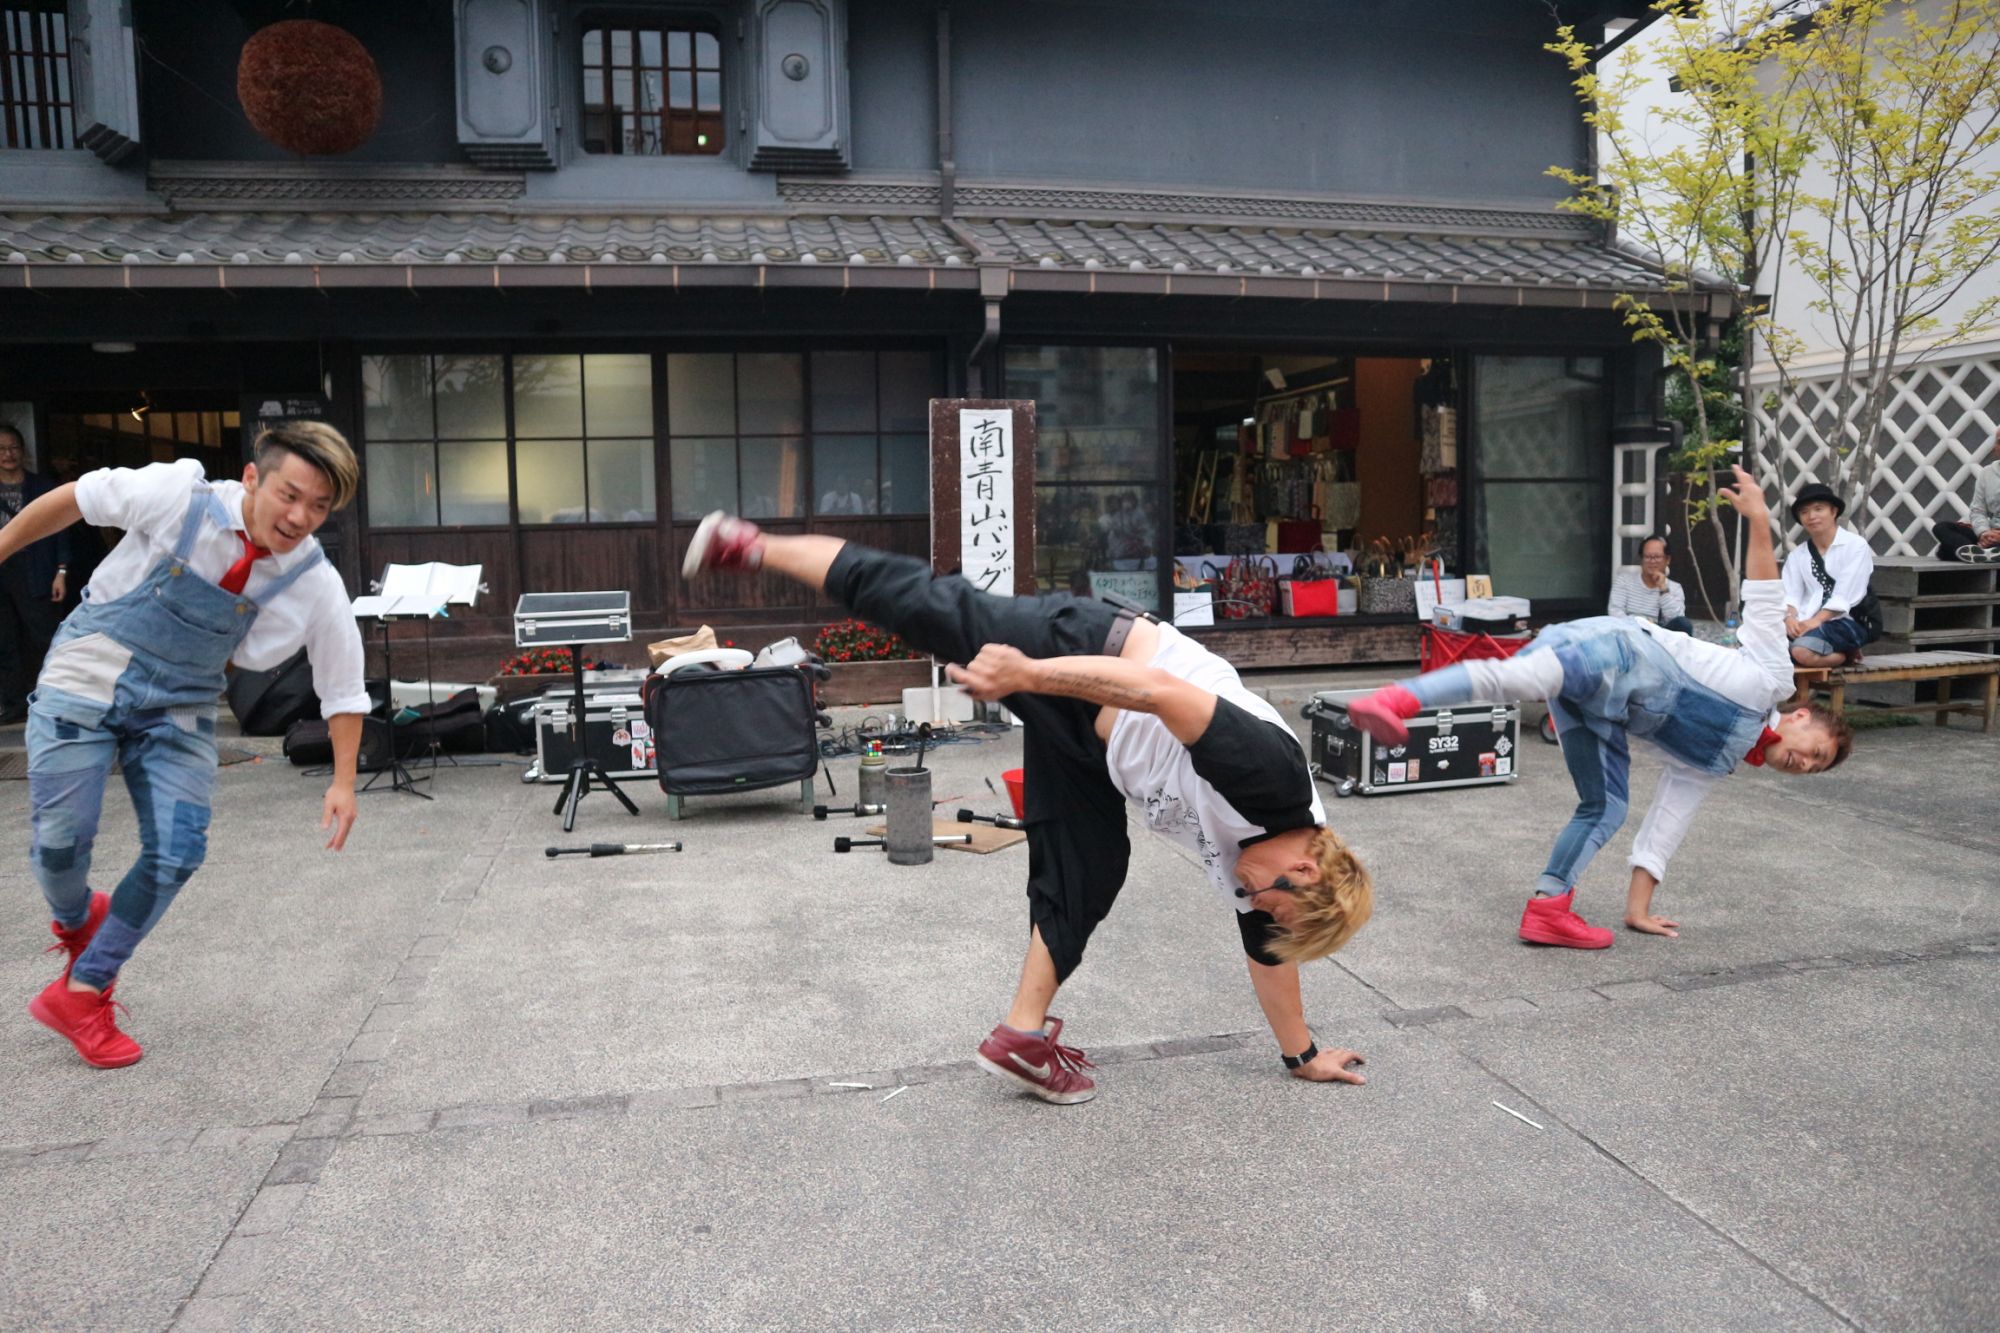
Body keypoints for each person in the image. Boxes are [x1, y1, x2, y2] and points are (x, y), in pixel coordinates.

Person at [682, 511, 1374, 1104]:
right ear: (1306, 868)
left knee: (1089, 871)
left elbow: (1268, 952)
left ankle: (1021, 1034)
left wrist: (1303, 1055)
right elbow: (1159, 690)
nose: (1253, 903)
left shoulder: (1271, 872)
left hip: (1093, 752)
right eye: (1270, 902)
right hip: (1093, 656)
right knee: (932, 609)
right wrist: (1030, 674)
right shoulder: (1270, 777)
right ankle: (751, 545)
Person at [1345, 466, 1851, 949]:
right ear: (1801, 716)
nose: (1806, 763)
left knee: (1606, 806)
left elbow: (1666, 825)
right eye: (1817, 752)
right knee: (1516, 678)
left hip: (1599, 710)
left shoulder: (1712, 763)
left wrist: (1638, 911)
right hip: (1615, 653)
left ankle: (1548, 909)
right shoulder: (1772, 680)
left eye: (1814, 769)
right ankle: (1396, 699)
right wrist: (1759, 519)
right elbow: (1764, 600)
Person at [0, 423, 372, 1068]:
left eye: (319, 507)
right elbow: (77, 497)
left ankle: (84, 991)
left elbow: (342, 686)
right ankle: (77, 919)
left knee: (178, 848)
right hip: (89, 670)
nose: (299, 517)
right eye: (290, 495)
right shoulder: (179, 494)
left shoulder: (313, 579)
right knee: (61, 841)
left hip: (181, 703)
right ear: (252, 478)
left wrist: (343, 782)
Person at [0, 421, 71, 725]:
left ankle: (54, 698)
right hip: (3, 567)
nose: (8, 454)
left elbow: (61, 531)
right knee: (4, 640)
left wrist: (61, 571)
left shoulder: (42, 486)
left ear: (23, 451)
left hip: (35, 567)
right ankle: (14, 703)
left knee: (44, 636)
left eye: (13, 448)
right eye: (1, 449)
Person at [1782, 482, 1874, 668]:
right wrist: (1789, 618)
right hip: (1805, 621)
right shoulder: (1798, 555)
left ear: (1833, 512)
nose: (1811, 516)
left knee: (1801, 650)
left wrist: (1816, 621)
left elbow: (1845, 595)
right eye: (1804, 512)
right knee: (1759, 644)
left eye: (1818, 509)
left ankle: (1843, 656)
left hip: (1845, 621)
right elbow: (1791, 594)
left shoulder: (1855, 546)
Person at [1932, 428, 1999, 561]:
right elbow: (1977, 510)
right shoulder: (1987, 473)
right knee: (1942, 528)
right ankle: (1982, 553)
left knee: (1946, 551)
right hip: (1990, 532)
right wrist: (1983, 533)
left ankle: (1980, 553)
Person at [1606, 534, 1693, 635]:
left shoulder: (1675, 588)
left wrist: (1663, 589)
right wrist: (1641, 626)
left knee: (1684, 624)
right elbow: (1615, 612)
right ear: (1641, 559)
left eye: (1657, 557)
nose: (1652, 561)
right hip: (1631, 631)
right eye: (1647, 557)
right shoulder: (1624, 581)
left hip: (1660, 635)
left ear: (1667, 560)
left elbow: (1676, 618)